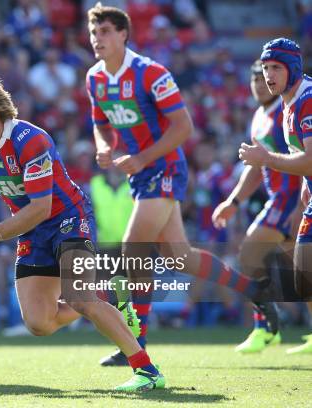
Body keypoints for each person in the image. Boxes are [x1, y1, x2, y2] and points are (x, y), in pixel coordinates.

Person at [0, 74, 165, 391]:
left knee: (79, 298)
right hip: (31, 230)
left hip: (68, 218)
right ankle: (110, 298)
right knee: (38, 323)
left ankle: (147, 371)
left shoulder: (30, 141)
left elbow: (41, 207)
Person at [85, 4, 269, 366]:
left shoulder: (150, 73)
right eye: (94, 33)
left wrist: (141, 157)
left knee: (134, 246)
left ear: (124, 34)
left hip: (165, 166)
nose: (98, 39)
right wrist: (104, 146)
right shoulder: (95, 78)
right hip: (140, 173)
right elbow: (100, 123)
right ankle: (256, 291)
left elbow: (184, 127)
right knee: (179, 256)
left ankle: (135, 342)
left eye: (105, 31)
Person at [213, 60, 302, 353]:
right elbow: (255, 167)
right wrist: (234, 201)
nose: (259, 85)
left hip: (289, 199)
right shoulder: (259, 117)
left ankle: (266, 326)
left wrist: (299, 206)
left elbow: (302, 158)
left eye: (264, 79)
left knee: (250, 253)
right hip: (277, 198)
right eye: (255, 81)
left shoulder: (285, 113)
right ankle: (265, 327)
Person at [239, 38, 312, 353]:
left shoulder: (306, 100)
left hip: (284, 202)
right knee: (304, 276)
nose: (268, 75)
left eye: (275, 68)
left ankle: (265, 326)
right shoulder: (285, 102)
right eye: (264, 68)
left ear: (293, 68)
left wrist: (267, 159)